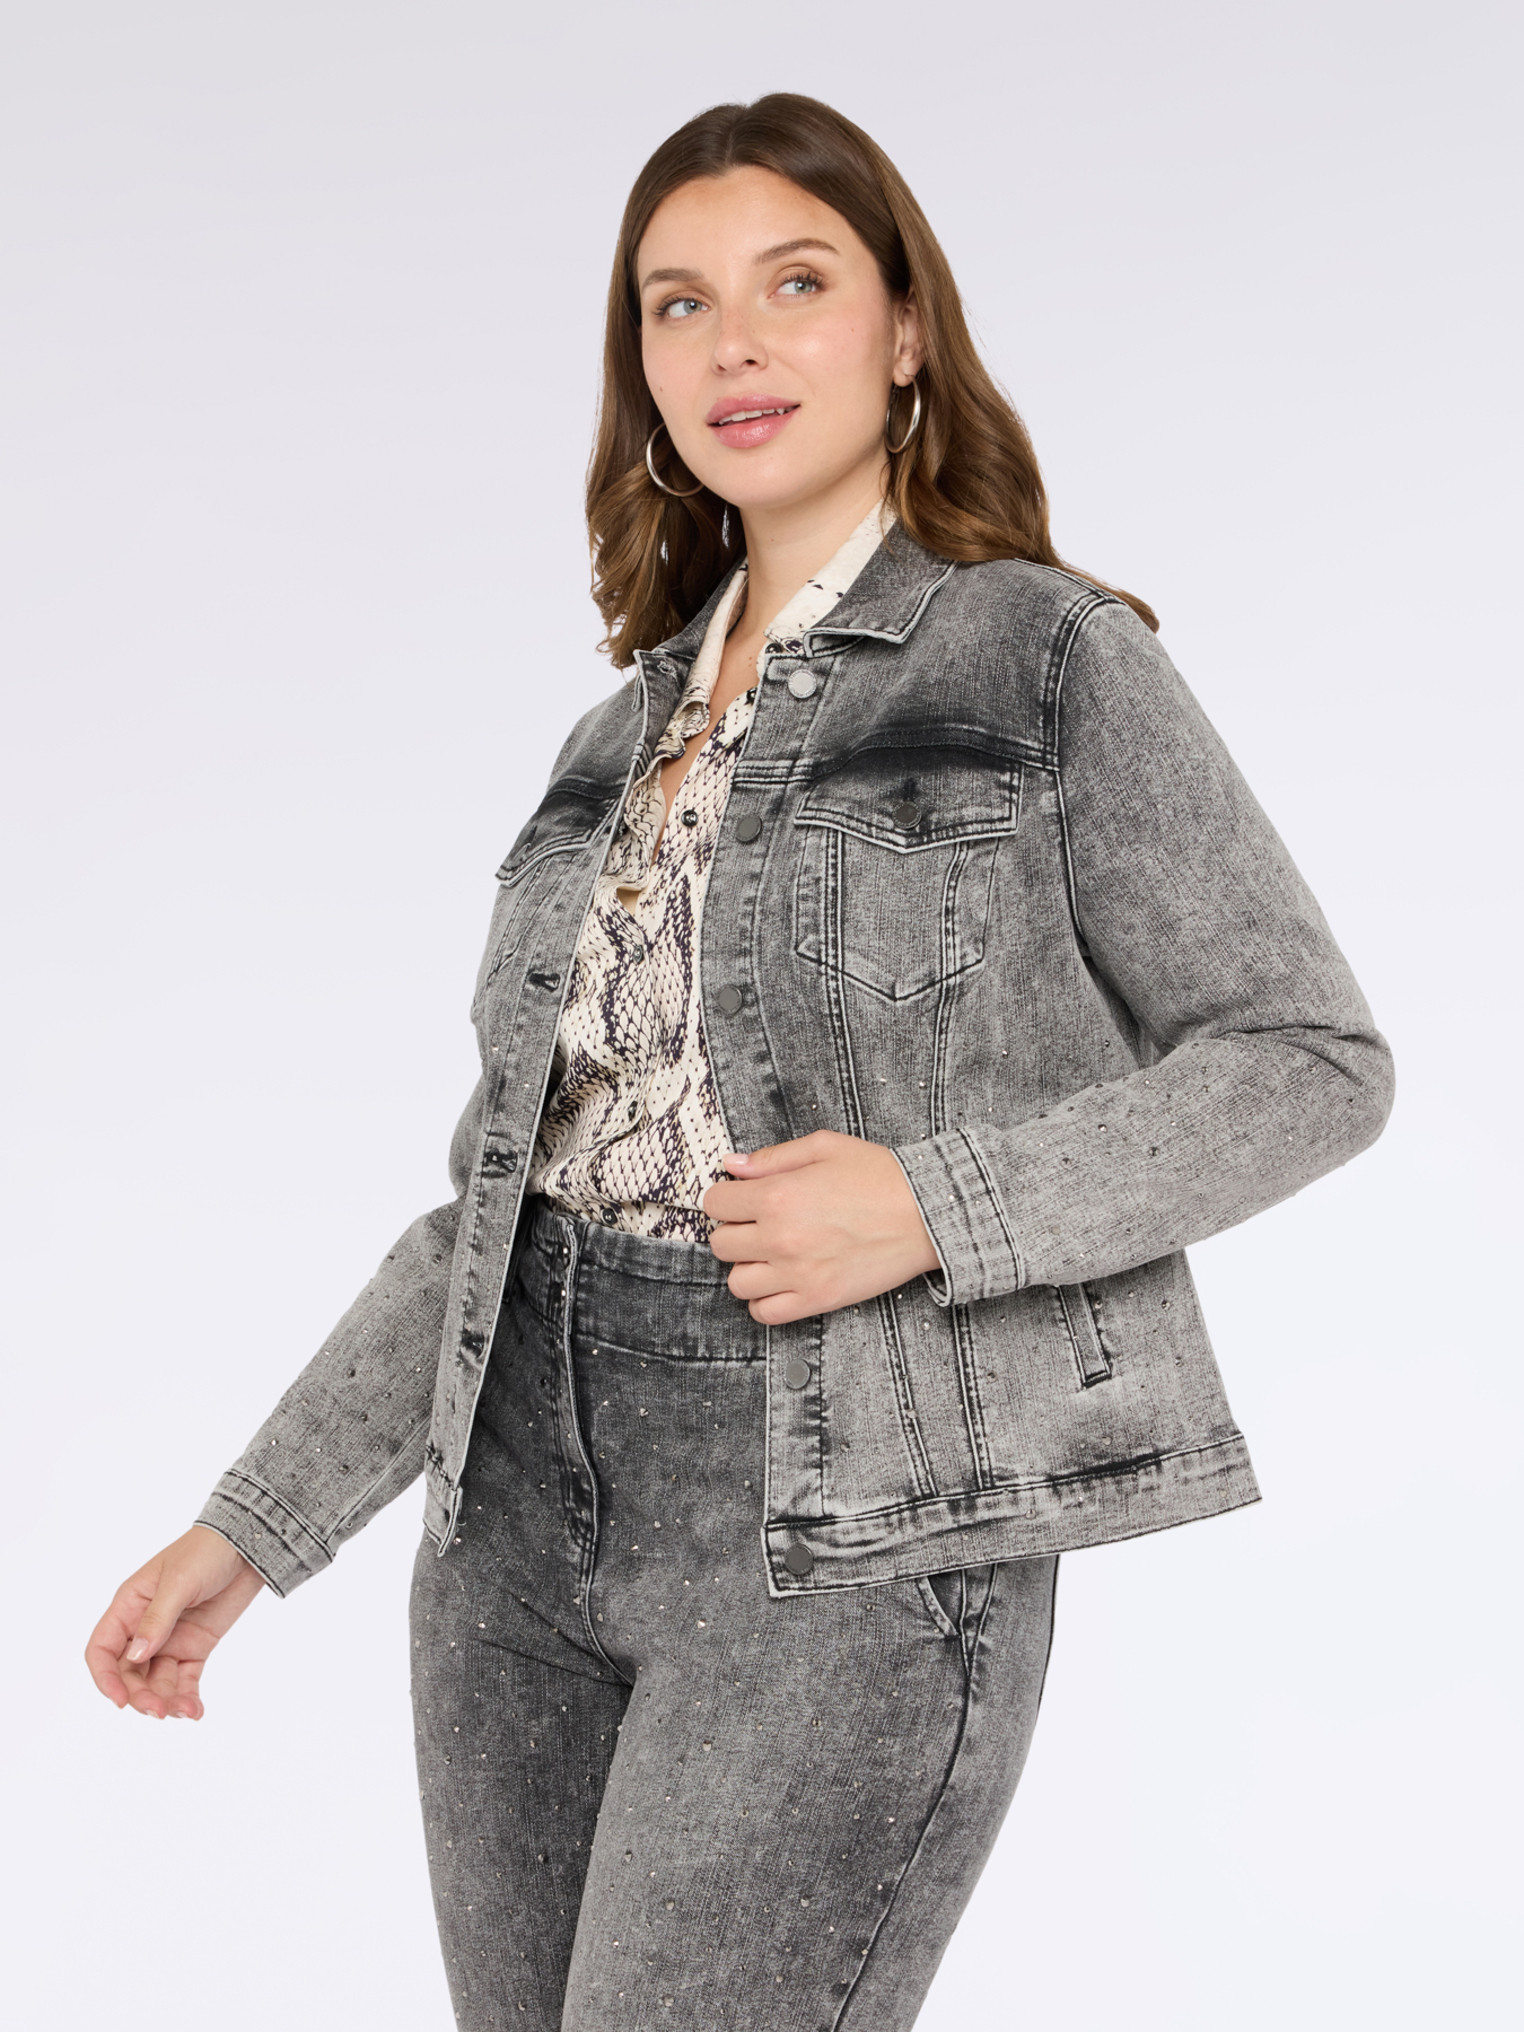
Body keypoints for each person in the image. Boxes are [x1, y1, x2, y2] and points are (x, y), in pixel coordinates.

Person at [85, 93, 1393, 2031]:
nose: (734, 345)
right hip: (509, 1524)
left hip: (843, 1519)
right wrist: (256, 1523)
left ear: (906, 330)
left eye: (796, 283)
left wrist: (935, 1205)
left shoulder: (1043, 659)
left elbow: (1309, 1056)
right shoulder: (614, 739)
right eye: (677, 303)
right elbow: (498, 1202)